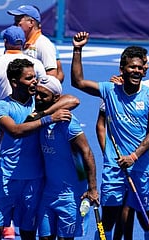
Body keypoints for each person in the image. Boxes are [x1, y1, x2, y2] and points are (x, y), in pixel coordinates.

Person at [71, 31, 149, 240]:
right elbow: (78, 82)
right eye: (132, 67)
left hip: (140, 168)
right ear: (122, 69)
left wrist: (133, 157)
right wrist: (78, 49)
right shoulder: (109, 91)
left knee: (148, 221)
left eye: (140, 67)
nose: (136, 71)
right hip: (114, 169)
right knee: (107, 222)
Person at [0, 58, 73, 239]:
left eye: (34, 77)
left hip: (34, 181)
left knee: (28, 233)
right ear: (14, 82)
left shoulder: (39, 103)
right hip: (6, 179)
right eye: (29, 78)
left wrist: (40, 113)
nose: (34, 81)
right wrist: (48, 118)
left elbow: (72, 99)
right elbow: (15, 131)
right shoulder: (1, 107)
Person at [35, 75, 99, 240]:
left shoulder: (68, 122)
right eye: (37, 93)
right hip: (48, 193)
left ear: (56, 98)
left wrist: (92, 188)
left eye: (43, 95)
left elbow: (87, 153)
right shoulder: (39, 118)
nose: (38, 98)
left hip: (70, 196)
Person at [7, 4, 64, 82]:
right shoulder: (19, 42)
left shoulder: (44, 45)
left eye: (17, 21)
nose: (14, 25)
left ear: (31, 22)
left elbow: (51, 79)